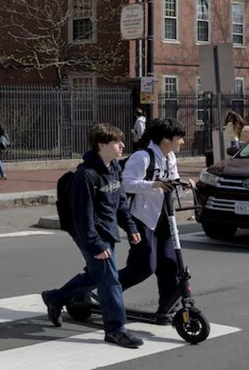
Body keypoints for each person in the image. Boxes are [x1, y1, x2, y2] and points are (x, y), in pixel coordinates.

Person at [41, 123, 144, 349]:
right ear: (101, 145)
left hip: (107, 231)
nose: (122, 145)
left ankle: (55, 298)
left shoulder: (114, 167)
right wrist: (96, 244)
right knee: (110, 282)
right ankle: (116, 330)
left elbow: (121, 202)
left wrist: (131, 227)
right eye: (117, 142)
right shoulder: (85, 176)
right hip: (91, 234)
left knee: (97, 275)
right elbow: (82, 215)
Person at [120, 118, 187, 321]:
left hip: (164, 216)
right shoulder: (142, 157)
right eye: (179, 138)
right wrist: (153, 185)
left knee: (170, 263)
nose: (182, 142)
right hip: (142, 217)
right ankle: (104, 289)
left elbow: (170, 186)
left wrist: (183, 186)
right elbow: (126, 184)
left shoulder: (170, 157)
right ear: (166, 139)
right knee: (143, 267)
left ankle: (167, 305)